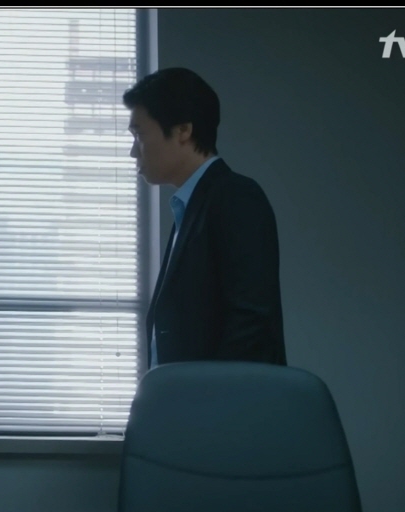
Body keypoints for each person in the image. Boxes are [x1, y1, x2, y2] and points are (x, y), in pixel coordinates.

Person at [123, 67, 286, 372]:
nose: (134, 152)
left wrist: (207, 398)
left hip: (220, 400)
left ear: (183, 130)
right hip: (187, 397)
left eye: (139, 134)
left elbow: (250, 327)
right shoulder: (191, 206)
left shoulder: (236, 197)